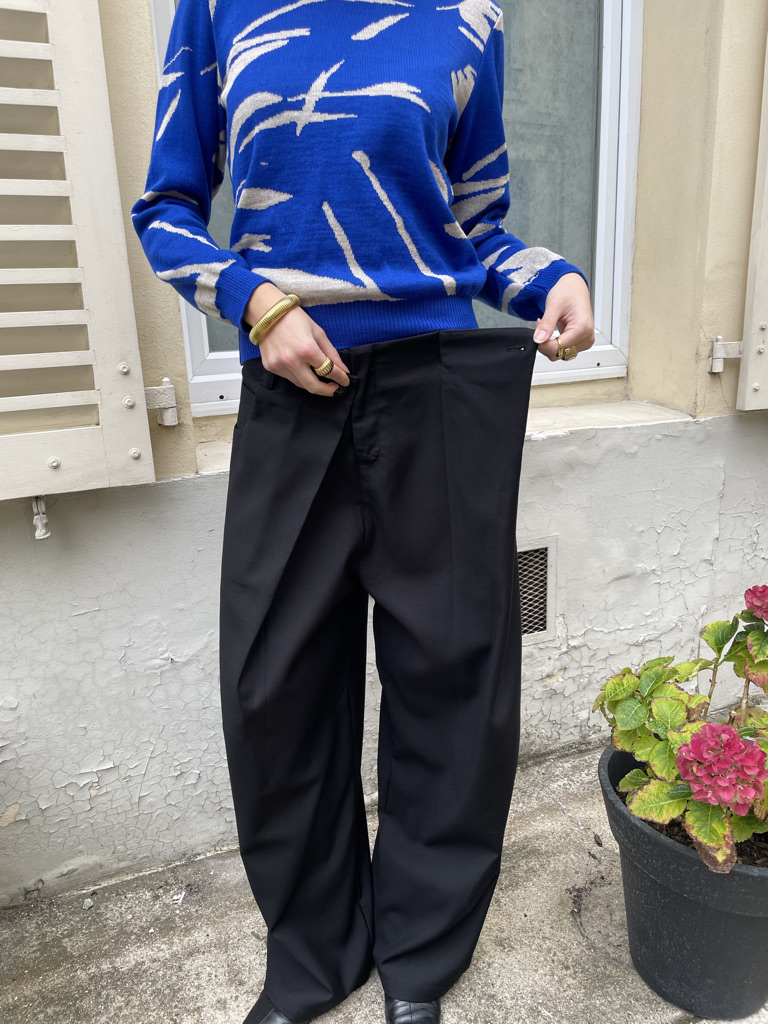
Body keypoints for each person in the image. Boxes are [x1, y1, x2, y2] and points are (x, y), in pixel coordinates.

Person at [131, 2, 595, 1022]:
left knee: (453, 675)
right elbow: (164, 209)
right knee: (273, 686)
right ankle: (316, 955)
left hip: (438, 386)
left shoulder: (468, 19)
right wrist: (257, 303)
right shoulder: (221, 10)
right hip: (292, 389)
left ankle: (420, 955)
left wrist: (548, 278)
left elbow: (476, 226)